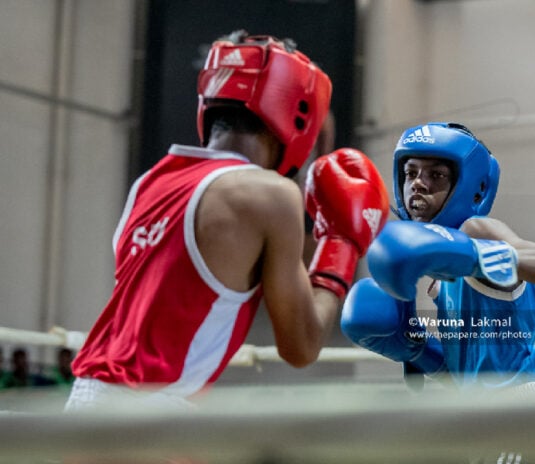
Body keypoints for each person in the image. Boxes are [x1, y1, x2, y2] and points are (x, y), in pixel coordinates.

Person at [64, 31, 389, 411]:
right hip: (149, 413)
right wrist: (342, 246)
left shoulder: (150, 183)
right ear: (298, 112)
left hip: (84, 402)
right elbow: (302, 345)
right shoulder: (270, 195)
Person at [341, 122, 535, 398]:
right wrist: (420, 350)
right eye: (410, 173)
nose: (418, 183)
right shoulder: (441, 277)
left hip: (530, 398)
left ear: (474, 190)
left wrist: (477, 255)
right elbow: (469, 375)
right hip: (484, 408)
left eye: (437, 175)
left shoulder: (477, 230)